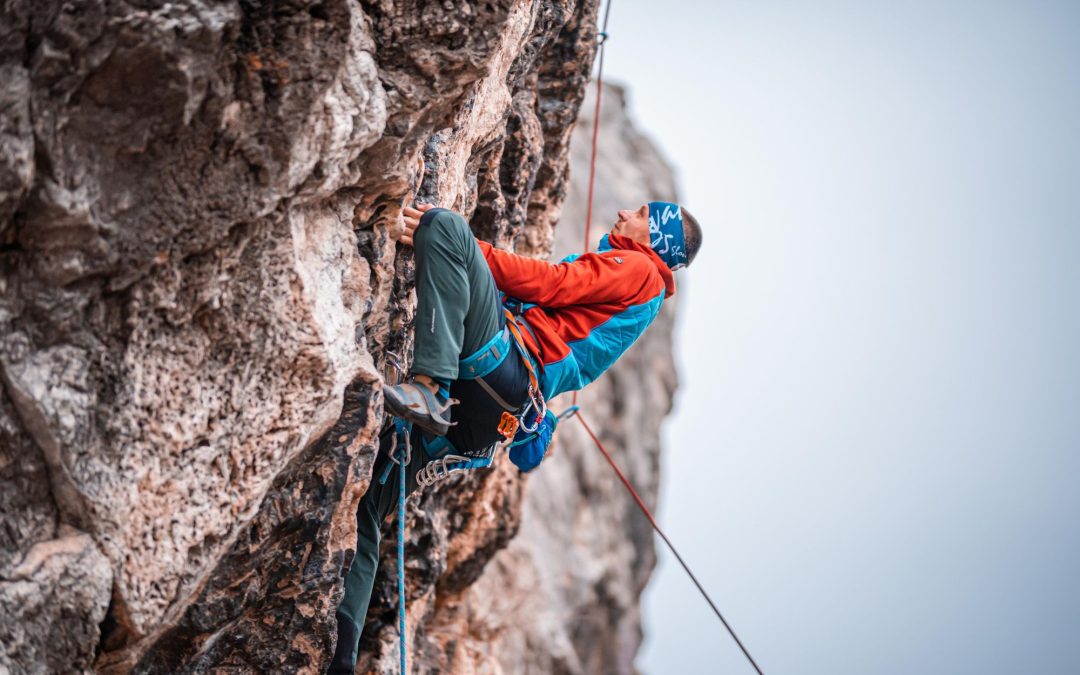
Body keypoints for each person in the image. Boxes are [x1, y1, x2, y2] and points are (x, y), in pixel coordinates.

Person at [328, 200, 702, 673]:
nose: (627, 211)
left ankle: (429, 387)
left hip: (503, 365)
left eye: (644, 214)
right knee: (367, 506)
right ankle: (339, 662)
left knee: (446, 228)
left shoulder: (640, 268)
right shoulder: (640, 298)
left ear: (658, 238)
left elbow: (553, 283)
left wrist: (468, 248)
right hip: (490, 419)